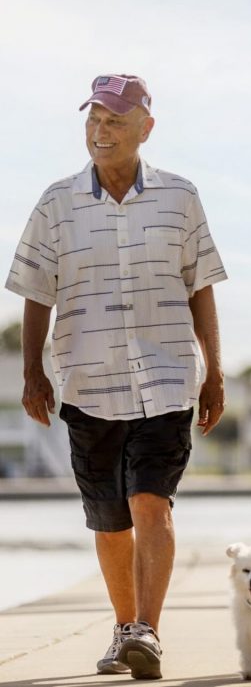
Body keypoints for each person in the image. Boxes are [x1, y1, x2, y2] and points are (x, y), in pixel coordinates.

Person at [5, 74, 228, 680]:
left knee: (151, 502)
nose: (100, 132)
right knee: (109, 521)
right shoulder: (56, 202)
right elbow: (35, 291)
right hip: (87, 381)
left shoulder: (180, 197)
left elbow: (201, 286)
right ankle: (125, 627)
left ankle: (147, 632)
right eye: (94, 120)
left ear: (145, 129)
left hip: (167, 377)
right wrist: (32, 371)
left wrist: (214, 371)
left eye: (114, 121)